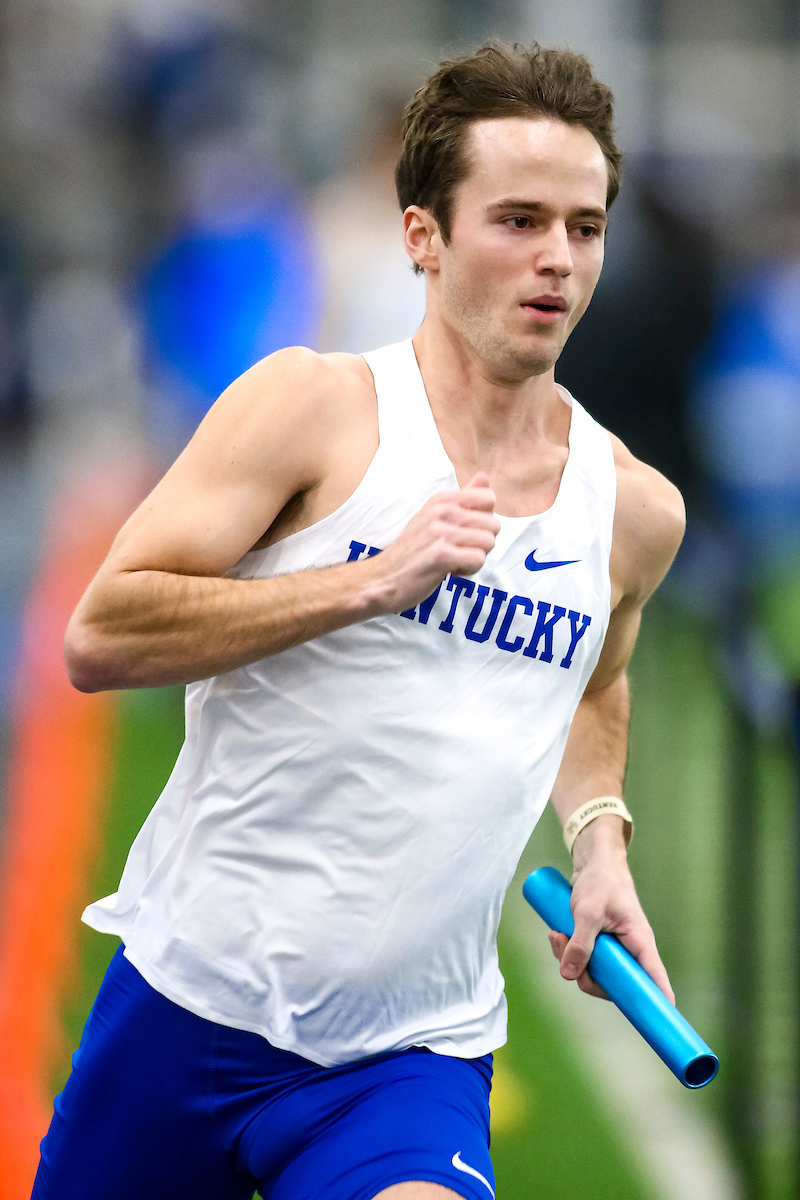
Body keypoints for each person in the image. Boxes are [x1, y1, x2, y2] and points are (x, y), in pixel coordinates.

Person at [39, 42, 684, 1200]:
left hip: (407, 1056)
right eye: (518, 219)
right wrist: (367, 582)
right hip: (191, 1009)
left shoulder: (631, 508)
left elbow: (593, 674)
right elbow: (101, 635)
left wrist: (598, 839)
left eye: (582, 228)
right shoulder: (311, 410)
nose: (555, 260)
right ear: (421, 237)